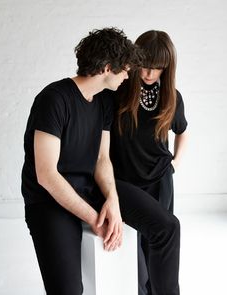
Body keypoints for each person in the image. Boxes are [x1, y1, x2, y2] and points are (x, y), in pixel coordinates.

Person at [22, 27, 180, 295]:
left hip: (90, 189)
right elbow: (46, 175)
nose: (129, 75)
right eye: (125, 70)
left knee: (167, 227)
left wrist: (113, 201)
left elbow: (101, 158)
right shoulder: (53, 99)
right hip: (49, 202)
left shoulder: (103, 101)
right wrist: (96, 219)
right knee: (68, 289)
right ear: (108, 68)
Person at [110, 30, 188, 295]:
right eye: (145, 65)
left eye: (157, 68)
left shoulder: (172, 97)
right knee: (134, 251)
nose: (149, 74)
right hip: (125, 182)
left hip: (159, 182)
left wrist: (175, 163)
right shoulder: (118, 92)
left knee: (158, 246)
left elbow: (183, 131)